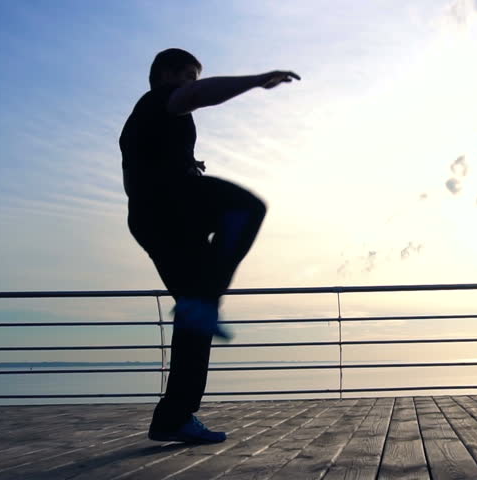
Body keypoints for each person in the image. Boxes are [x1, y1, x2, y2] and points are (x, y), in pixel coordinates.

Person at [120, 48, 300, 443]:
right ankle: (204, 298)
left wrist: (189, 164)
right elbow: (194, 96)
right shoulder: (157, 101)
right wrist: (255, 80)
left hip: (152, 219)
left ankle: (174, 417)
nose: (194, 83)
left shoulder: (154, 125)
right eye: (188, 75)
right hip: (170, 206)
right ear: (165, 75)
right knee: (248, 207)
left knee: (195, 318)